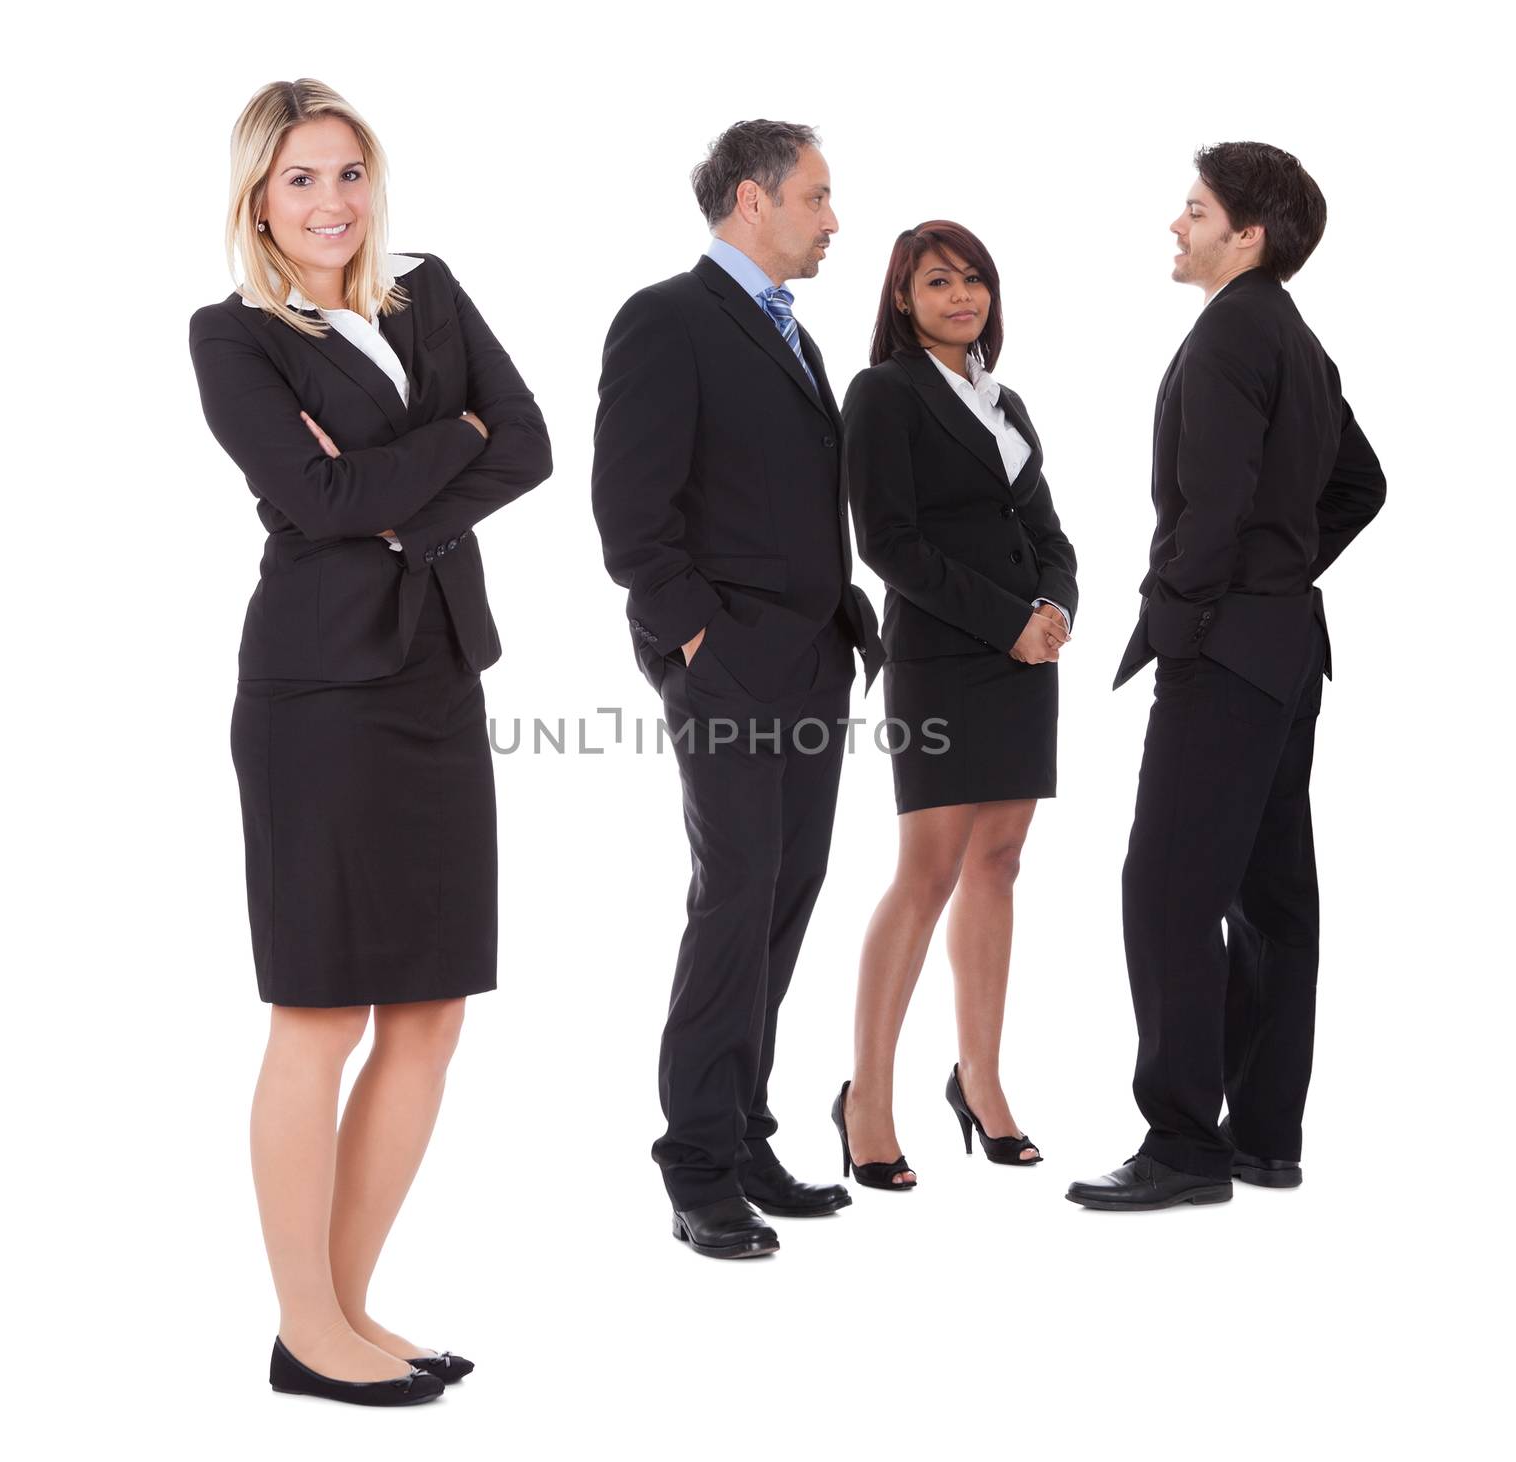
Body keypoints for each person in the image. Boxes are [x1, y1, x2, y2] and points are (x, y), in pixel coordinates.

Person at [188, 78, 551, 1398]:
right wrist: (437, 446)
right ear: (257, 199)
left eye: (348, 173)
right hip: (319, 696)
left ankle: (338, 1311)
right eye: (300, 181)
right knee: (319, 1010)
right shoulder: (233, 337)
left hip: (438, 674)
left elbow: (530, 444)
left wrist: (391, 492)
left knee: (433, 1008)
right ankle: (307, 1325)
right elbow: (311, 495)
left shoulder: (427, 290)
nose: (331, 203)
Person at [1067, 142, 1385, 1211]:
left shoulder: (1226, 340)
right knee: (1269, 894)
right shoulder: (1294, 339)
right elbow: (1359, 482)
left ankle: (1182, 1144)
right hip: (1288, 648)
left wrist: (1187, 614)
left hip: (1224, 652)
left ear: (1246, 235)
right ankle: (1263, 1136)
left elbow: (1209, 514)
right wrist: (1276, 574)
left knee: (1163, 890)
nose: (1176, 225)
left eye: (1194, 211)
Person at [591, 120, 884, 1260]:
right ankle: (697, 1163)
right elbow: (631, 517)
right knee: (736, 894)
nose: (831, 218)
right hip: (726, 667)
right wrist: (696, 645)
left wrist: (844, 611)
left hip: (812, 658)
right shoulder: (666, 318)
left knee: (787, 887)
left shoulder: (797, 340)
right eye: (816, 196)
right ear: (753, 198)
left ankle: (747, 1133)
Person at [835, 222, 1078, 1190]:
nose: (960, 296)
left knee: (1000, 862)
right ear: (902, 297)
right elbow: (886, 543)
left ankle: (979, 1080)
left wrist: (1055, 605)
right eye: (937, 282)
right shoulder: (882, 394)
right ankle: (867, 1101)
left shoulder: (1002, 397)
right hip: (943, 652)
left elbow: (1046, 525)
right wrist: (1006, 622)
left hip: (1024, 655)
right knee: (926, 869)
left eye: (973, 280)